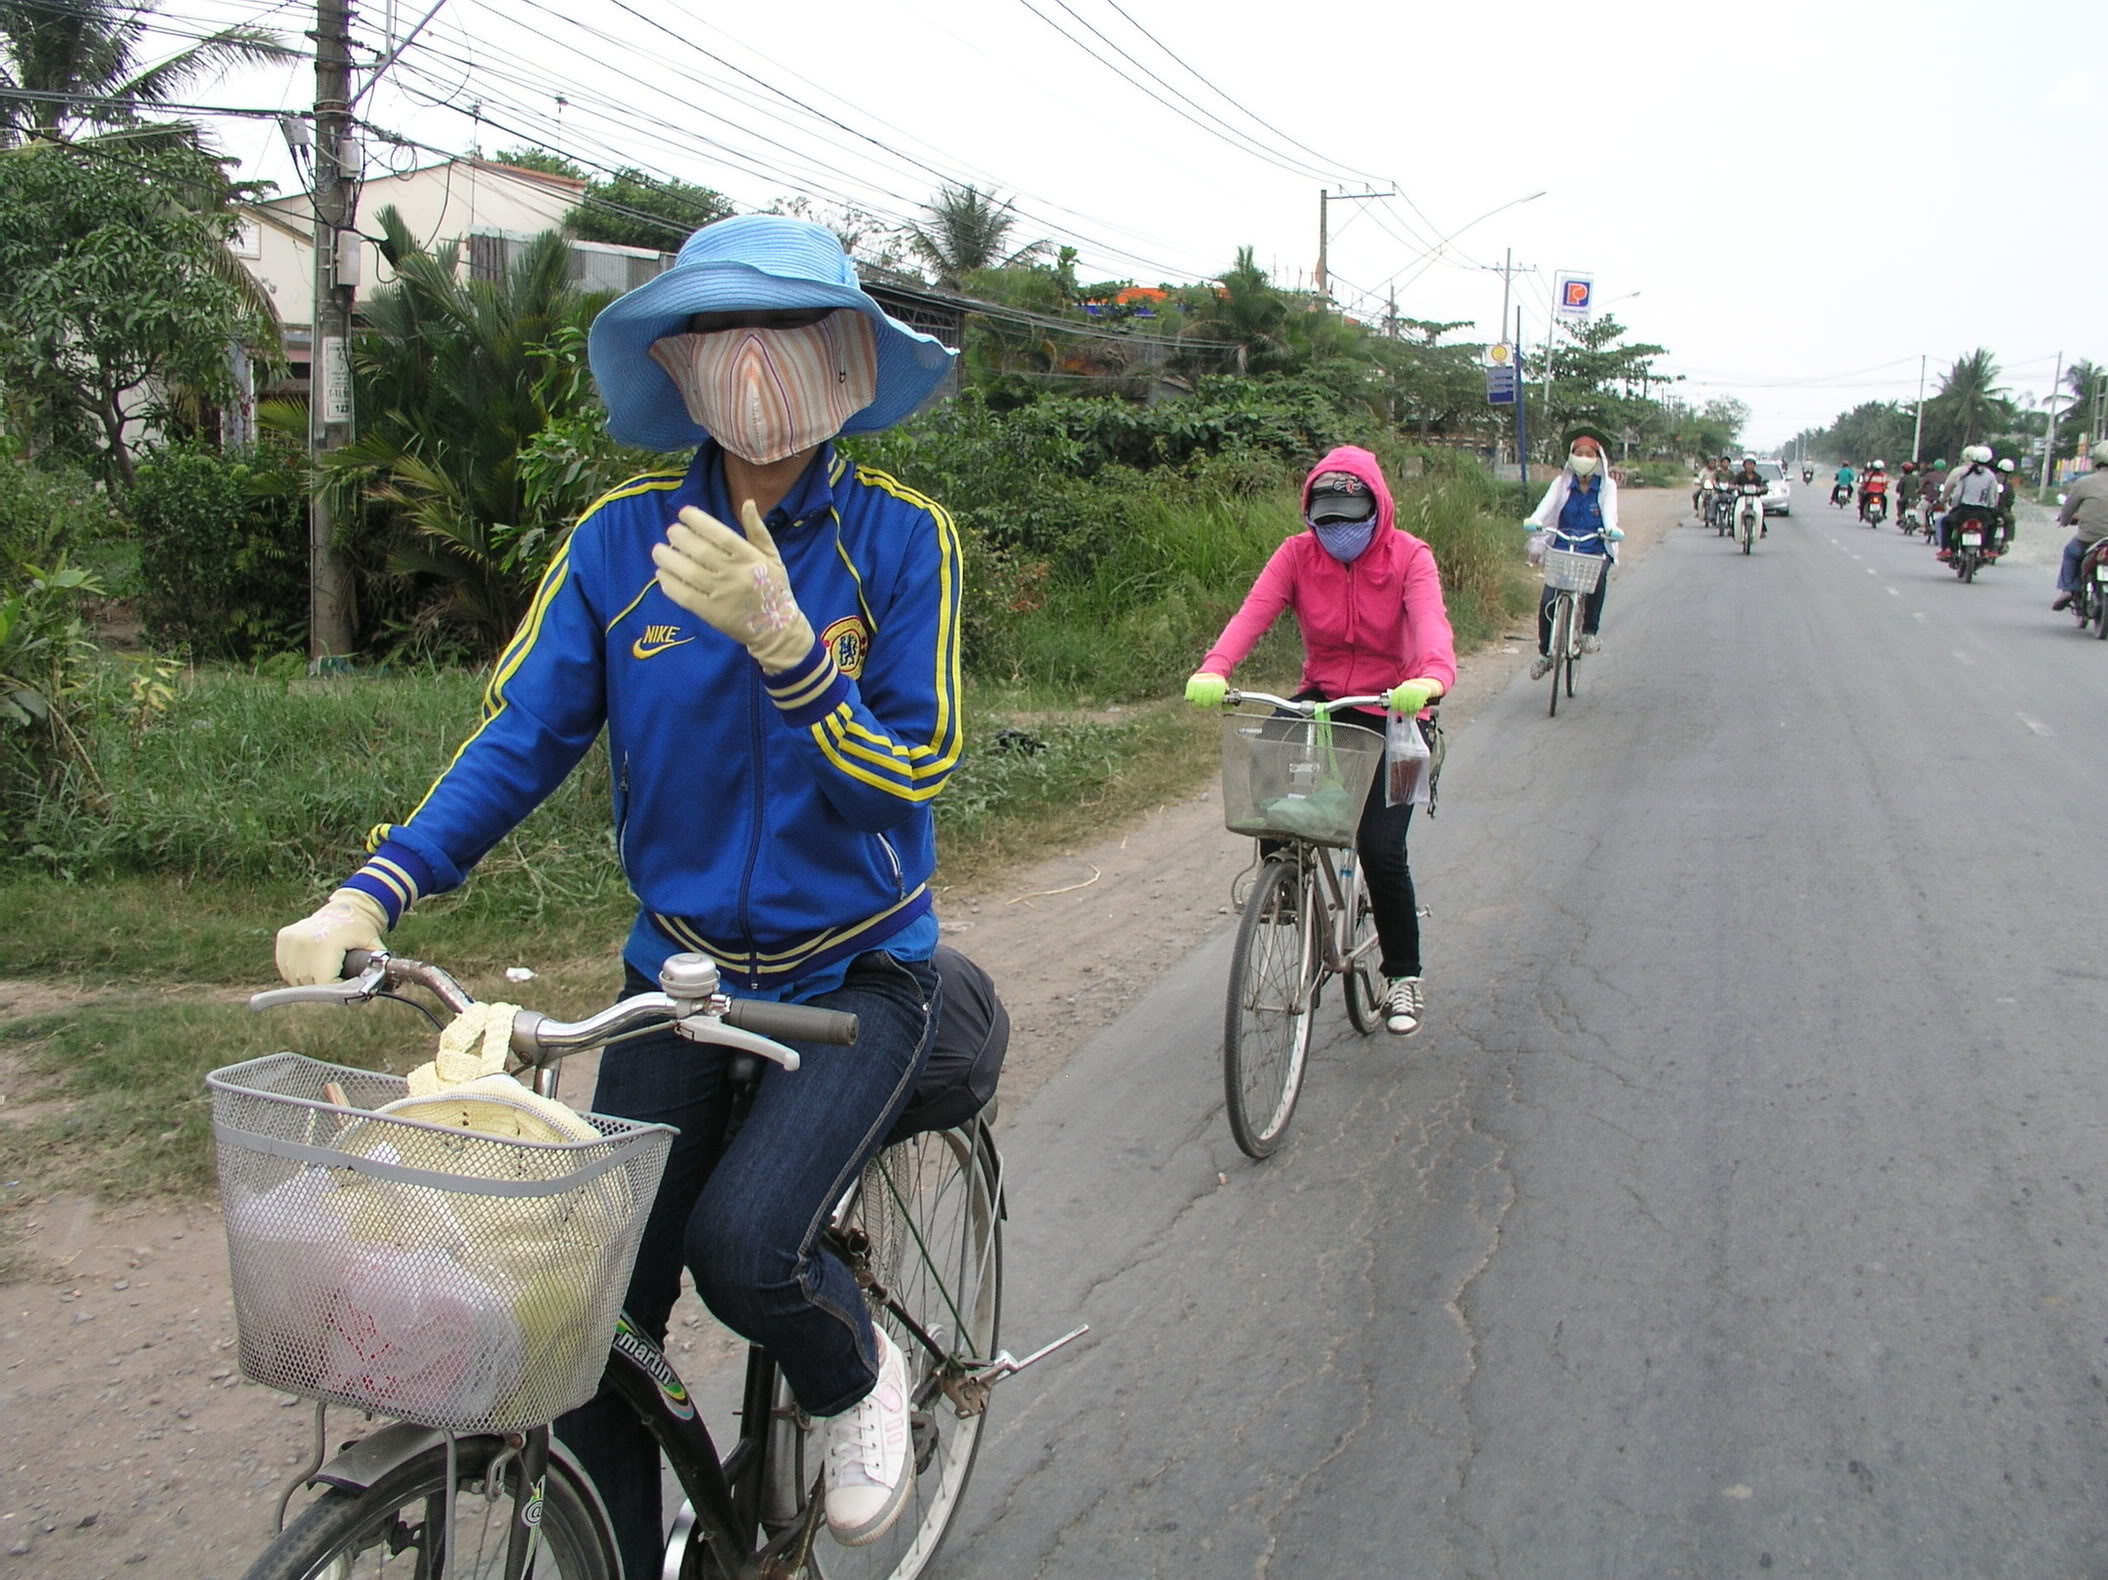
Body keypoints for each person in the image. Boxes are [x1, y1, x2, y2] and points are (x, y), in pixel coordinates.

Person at [270, 214, 964, 1571]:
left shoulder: (898, 540)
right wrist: (377, 889)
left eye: (788, 341)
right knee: (586, 1322)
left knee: (749, 1248)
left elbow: (914, 771)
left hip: (857, 968)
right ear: (684, 368)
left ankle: (855, 1371)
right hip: (683, 972)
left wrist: (792, 654)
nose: (756, 375)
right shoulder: (619, 543)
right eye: (724, 343)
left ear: (846, 364)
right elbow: (524, 737)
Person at [1183, 447, 1457, 1037]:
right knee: (1266, 756)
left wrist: (1431, 677)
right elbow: (1252, 614)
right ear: (1311, 516)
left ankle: (1403, 975)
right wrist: (1216, 667)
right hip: (1325, 696)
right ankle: (1285, 876)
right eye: (1325, 520)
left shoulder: (1410, 556)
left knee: (1383, 848)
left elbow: (1432, 621)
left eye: (1350, 519)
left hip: (1399, 707)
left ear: (1377, 508)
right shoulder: (1296, 555)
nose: (1338, 532)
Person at [1525, 426, 1626, 656]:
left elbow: (1609, 513)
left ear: (1598, 459)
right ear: (1571, 456)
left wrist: (1611, 529)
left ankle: (1589, 632)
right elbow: (1545, 507)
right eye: (1578, 453)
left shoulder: (1606, 486)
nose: (1583, 458)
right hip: (1562, 545)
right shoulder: (1560, 484)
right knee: (1548, 599)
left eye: (1589, 454)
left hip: (1595, 547)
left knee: (1598, 579)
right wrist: (1534, 520)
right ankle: (1545, 653)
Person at [2051, 441, 2108, 610]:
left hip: (2089, 538)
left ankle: (2068, 590)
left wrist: (2064, 521)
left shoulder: (2084, 482)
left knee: (2071, 553)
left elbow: (2068, 508)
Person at [1938, 445, 2002, 557]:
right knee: (1993, 524)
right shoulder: (1991, 476)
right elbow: (1992, 498)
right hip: (1982, 513)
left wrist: (1954, 505)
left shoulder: (1964, 474)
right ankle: (1987, 549)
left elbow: (1957, 495)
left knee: (1945, 522)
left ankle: (1948, 549)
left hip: (1964, 511)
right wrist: (1992, 508)